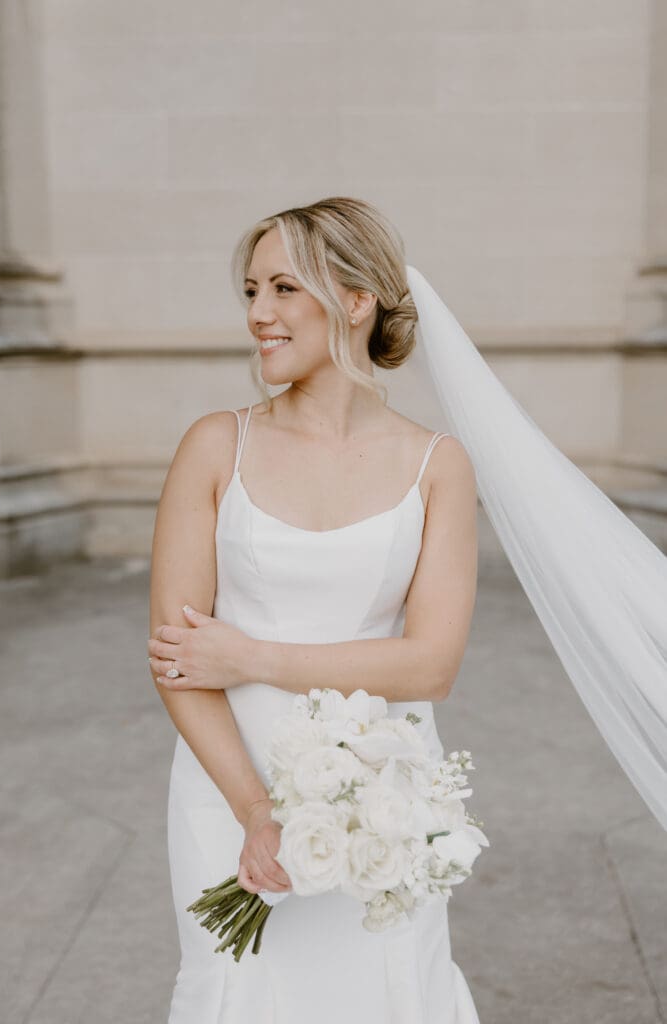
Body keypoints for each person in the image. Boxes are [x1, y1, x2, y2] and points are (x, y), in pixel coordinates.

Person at [148, 197, 482, 1022]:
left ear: (356, 299)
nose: (258, 314)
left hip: (383, 790)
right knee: (240, 992)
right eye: (252, 291)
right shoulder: (214, 445)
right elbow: (179, 662)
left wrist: (255, 657)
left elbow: (430, 666)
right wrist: (257, 815)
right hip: (227, 781)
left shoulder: (436, 466)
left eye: (283, 289)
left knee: (387, 992)